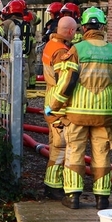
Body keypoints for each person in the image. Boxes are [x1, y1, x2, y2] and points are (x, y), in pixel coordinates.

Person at [46, 7, 112, 210]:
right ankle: (102, 198)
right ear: (103, 26)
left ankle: (73, 197)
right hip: (104, 115)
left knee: (74, 151)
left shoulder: (77, 49)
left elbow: (67, 81)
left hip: (77, 112)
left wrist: (54, 105)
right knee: (102, 154)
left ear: (85, 27)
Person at [41, 15, 78, 200]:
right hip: (58, 104)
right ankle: (53, 186)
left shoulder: (51, 44)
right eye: (76, 30)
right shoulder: (61, 52)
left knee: (54, 144)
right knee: (61, 147)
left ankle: (52, 183)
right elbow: (64, 82)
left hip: (50, 99)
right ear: (71, 31)